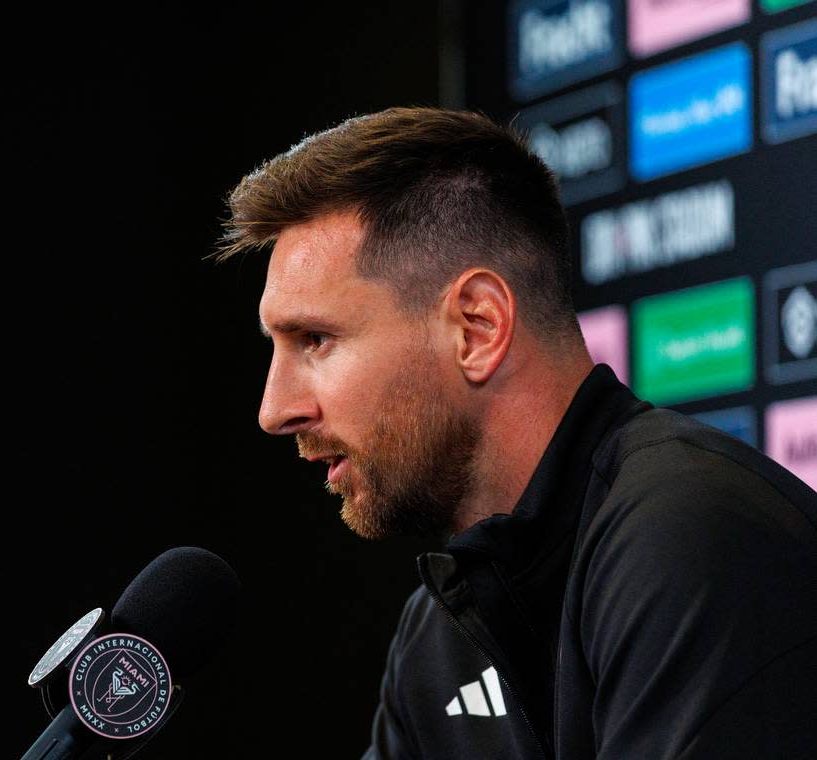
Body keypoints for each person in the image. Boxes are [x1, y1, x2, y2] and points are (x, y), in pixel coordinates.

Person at [215, 107, 817, 758]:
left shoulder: (689, 538)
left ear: (476, 328)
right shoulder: (439, 630)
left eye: (315, 340)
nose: (275, 410)